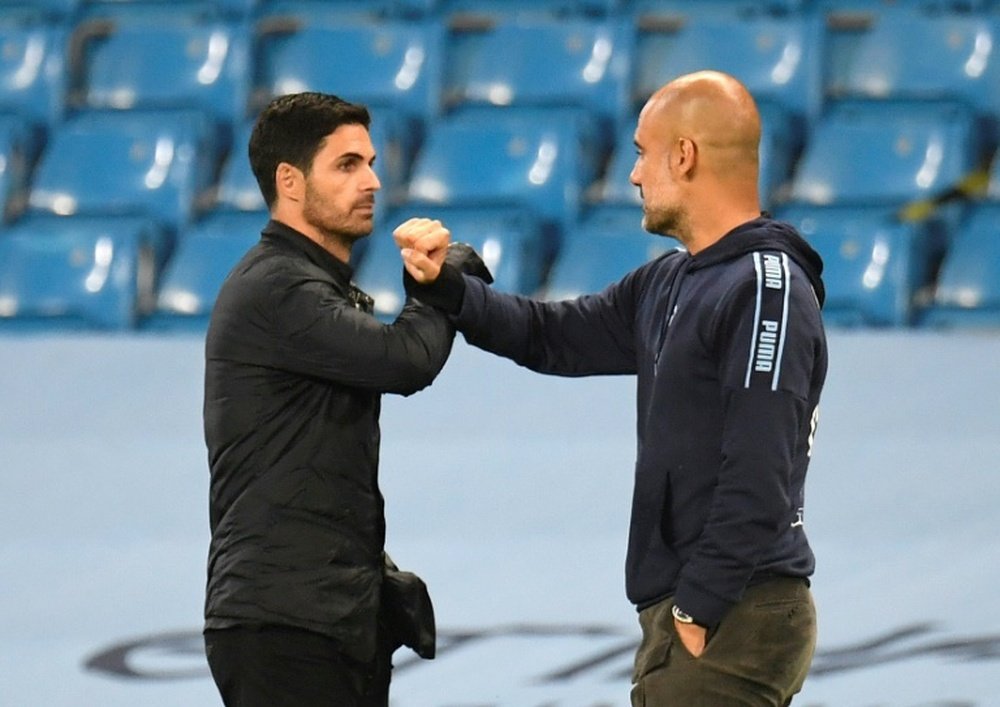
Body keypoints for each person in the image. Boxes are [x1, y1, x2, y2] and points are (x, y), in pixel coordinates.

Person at [398, 71, 828, 706]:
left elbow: (761, 467)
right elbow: (553, 334)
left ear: (684, 156)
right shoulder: (670, 282)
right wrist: (449, 289)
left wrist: (699, 606)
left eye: (642, 152)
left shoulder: (765, 286)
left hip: (737, 606)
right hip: (697, 607)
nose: (632, 175)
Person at [202, 92, 488, 706]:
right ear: (290, 181)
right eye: (347, 165)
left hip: (327, 620)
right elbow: (405, 360)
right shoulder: (278, 287)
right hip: (285, 627)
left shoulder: (307, 286)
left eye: (371, 162)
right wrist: (440, 281)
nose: (373, 181)